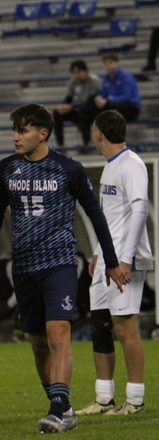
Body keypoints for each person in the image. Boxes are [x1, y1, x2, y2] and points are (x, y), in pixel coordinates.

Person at [0, 103, 126, 434]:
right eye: (15, 130)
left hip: (59, 263)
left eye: (24, 130)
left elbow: (94, 212)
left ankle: (57, 410)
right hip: (24, 266)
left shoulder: (67, 168)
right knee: (37, 340)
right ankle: (66, 407)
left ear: (43, 134)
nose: (16, 136)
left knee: (59, 332)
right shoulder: (6, 168)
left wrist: (112, 260)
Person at [76, 110, 152, 416]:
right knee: (100, 326)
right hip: (107, 260)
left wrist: (125, 258)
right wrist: (98, 253)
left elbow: (140, 210)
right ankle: (104, 398)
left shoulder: (131, 164)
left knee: (125, 328)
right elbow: (109, 218)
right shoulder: (110, 167)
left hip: (124, 262)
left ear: (99, 134)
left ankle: (135, 400)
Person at [52, 60, 101, 149]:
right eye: (74, 73)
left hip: (92, 110)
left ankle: (86, 144)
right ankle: (61, 145)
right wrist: (64, 107)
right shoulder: (73, 82)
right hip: (79, 108)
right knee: (57, 113)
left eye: (79, 72)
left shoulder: (93, 81)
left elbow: (91, 101)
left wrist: (72, 106)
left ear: (85, 71)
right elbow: (69, 98)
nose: (77, 75)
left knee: (84, 112)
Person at [93, 53, 141, 123]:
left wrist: (109, 100)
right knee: (93, 105)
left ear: (117, 63)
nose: (108, 66)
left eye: (111, 63)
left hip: (131, 107)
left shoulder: (126, 76)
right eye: (106, 64)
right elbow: (104, 94)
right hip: (114, 105)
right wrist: (99, 99)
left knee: (113, 107)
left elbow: (126, 96)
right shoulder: (106, 78)